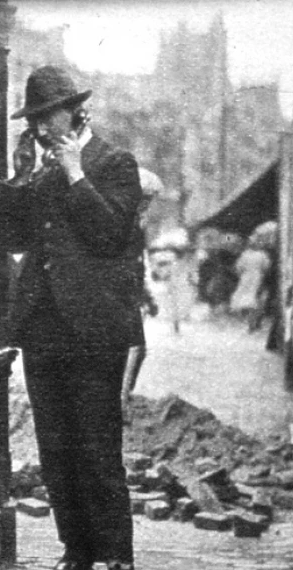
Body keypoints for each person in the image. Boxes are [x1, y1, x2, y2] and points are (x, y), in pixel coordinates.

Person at [0, 66, 143, 570]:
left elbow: (110, 234)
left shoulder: (113, 163)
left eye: (47, 116)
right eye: (33, 119)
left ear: (75, 112)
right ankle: (76, 546)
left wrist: (76, 174)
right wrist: (19, 178)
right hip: (43, 327)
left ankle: (120, 566)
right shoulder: (39, 169)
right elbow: (12, 238)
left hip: (95, 330)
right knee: (56, 446)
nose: (39, 127)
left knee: (98, 450)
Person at [121, 168, 162, 418]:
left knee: (136, 350)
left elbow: (138, 264)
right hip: (115, 298)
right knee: (129, 350)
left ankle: (123, 398)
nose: (146, 206)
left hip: (129, 297)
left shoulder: (137, 227)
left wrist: (146, 295)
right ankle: (118, 402)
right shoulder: (120, 224)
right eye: (144, 200)